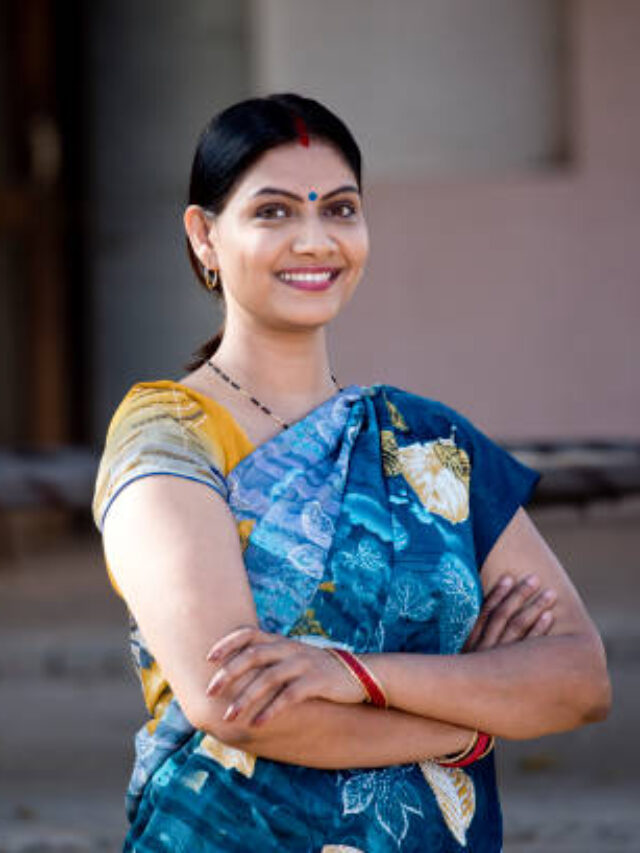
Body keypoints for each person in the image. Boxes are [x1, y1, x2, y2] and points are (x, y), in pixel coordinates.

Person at [92, 93, 611, 852]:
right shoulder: (168, 438)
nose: (314, 240)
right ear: (204, 236)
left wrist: (350, 674)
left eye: (339, 209)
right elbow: (232, 702)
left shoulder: (427, 443)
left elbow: (578, 679)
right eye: (273, 213)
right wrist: (478, 714)